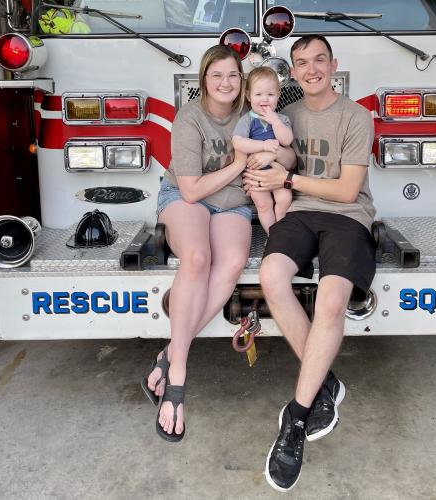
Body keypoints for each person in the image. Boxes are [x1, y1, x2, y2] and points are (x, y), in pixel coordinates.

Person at [243, 34, 376, 491]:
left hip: (346, 217)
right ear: (293, 73)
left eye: (319, 60)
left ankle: (296, 418)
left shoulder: (357, 117)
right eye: (301, 63)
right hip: (298, 213)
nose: (311, 68)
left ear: (333, 65)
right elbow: (264, 154)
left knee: (331, 300)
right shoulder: (286, 116)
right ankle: (325, 383)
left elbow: (346, 191)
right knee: (270, 275)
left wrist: (289, 176)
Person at [141, 45, 252, 442]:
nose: (226, 83)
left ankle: (169, 352)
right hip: (186, 199)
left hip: (233, 205)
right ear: (203, 79)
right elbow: (189, 191)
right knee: (197, 257)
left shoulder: (250, 115)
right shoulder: (189, 118)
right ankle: (177, 381)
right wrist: (240, 165)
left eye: (233, 76)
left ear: (242, 81)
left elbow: (283, 150)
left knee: (234, 261)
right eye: (217, 75)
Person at [232, 66, 294, 234]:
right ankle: (272, 235)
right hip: (255, 173)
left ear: (279, 95)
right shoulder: (247, 120)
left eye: (270, 94)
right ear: (248, 96)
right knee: (264, 204)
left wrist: (276, 122)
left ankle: (280, 232)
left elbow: (287, 140)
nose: (264, 99)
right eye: (258, 94)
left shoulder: (282, 119)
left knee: (285, 198)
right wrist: (263, 146)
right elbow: (238, 142)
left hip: (278, 171)